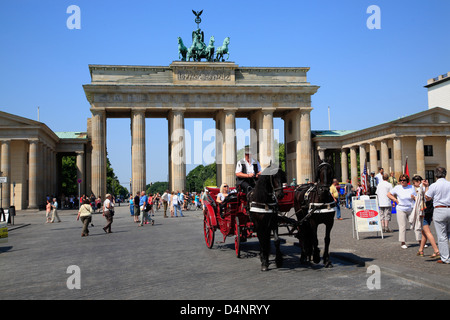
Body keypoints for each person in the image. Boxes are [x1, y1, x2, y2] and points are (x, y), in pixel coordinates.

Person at [424, 167, 450, 264]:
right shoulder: (449, 184)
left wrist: (426, 187)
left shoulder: (434, 185)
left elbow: (428, 198)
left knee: (442, 236)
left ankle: (445, 258)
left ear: (435, 175)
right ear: (445, 174)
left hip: (440, 209)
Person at [387, 174, 420, 249]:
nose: (402, 181)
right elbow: (388, 194)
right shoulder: (397, 188)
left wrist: (414, 197)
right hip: (401, 208)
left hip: (410, 208)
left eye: (404, 180)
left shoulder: (411, 187)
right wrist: (395, 200)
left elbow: (416, 197)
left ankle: (420, 240)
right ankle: (403, 242)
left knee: (415, 224)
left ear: (407, 181)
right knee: (402, 226)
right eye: (401, 180)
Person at [412, 175, 439, 258]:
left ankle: (436, 250)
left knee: (427, 231)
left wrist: (415, 198)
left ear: (418, 182)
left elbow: (427, 198)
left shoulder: (422, 188)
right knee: (424, 232)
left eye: (414, 183)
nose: (413, 185)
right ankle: (421, 250)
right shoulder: (424, 188)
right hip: (428, 211)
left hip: (424, 212)